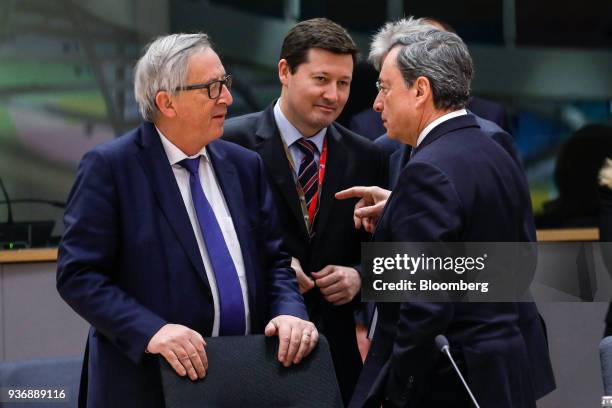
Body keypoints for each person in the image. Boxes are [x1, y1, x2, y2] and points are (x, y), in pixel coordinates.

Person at [56, 33, 317, 408]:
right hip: (148, 384)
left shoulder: (244, 166)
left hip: (242, 378)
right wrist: (153, 331)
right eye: (212, 88)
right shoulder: (112, 168)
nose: (227, 98)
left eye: (224, 84)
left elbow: (274, 261)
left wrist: (289, 312)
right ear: (167, 102)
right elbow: (79, 275)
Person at [337, 27, 540, 407]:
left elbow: (424, 306)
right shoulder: (495, 150)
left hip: (450, 381)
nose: (377, 103)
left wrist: (399, 391)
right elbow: (519, 264)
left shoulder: (427, 169)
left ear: (421, 91)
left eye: (385, 87)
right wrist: (401, 208)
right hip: (505, 369)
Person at [223, 18, 388, 404]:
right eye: (321, 79)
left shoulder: (367, 156)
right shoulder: (230, 143)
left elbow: (383, 247)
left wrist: (359, 277)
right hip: (254, 345)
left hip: (336, 354)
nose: (333, 94)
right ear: (285, 71)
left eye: (343, 83)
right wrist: (269, 270)